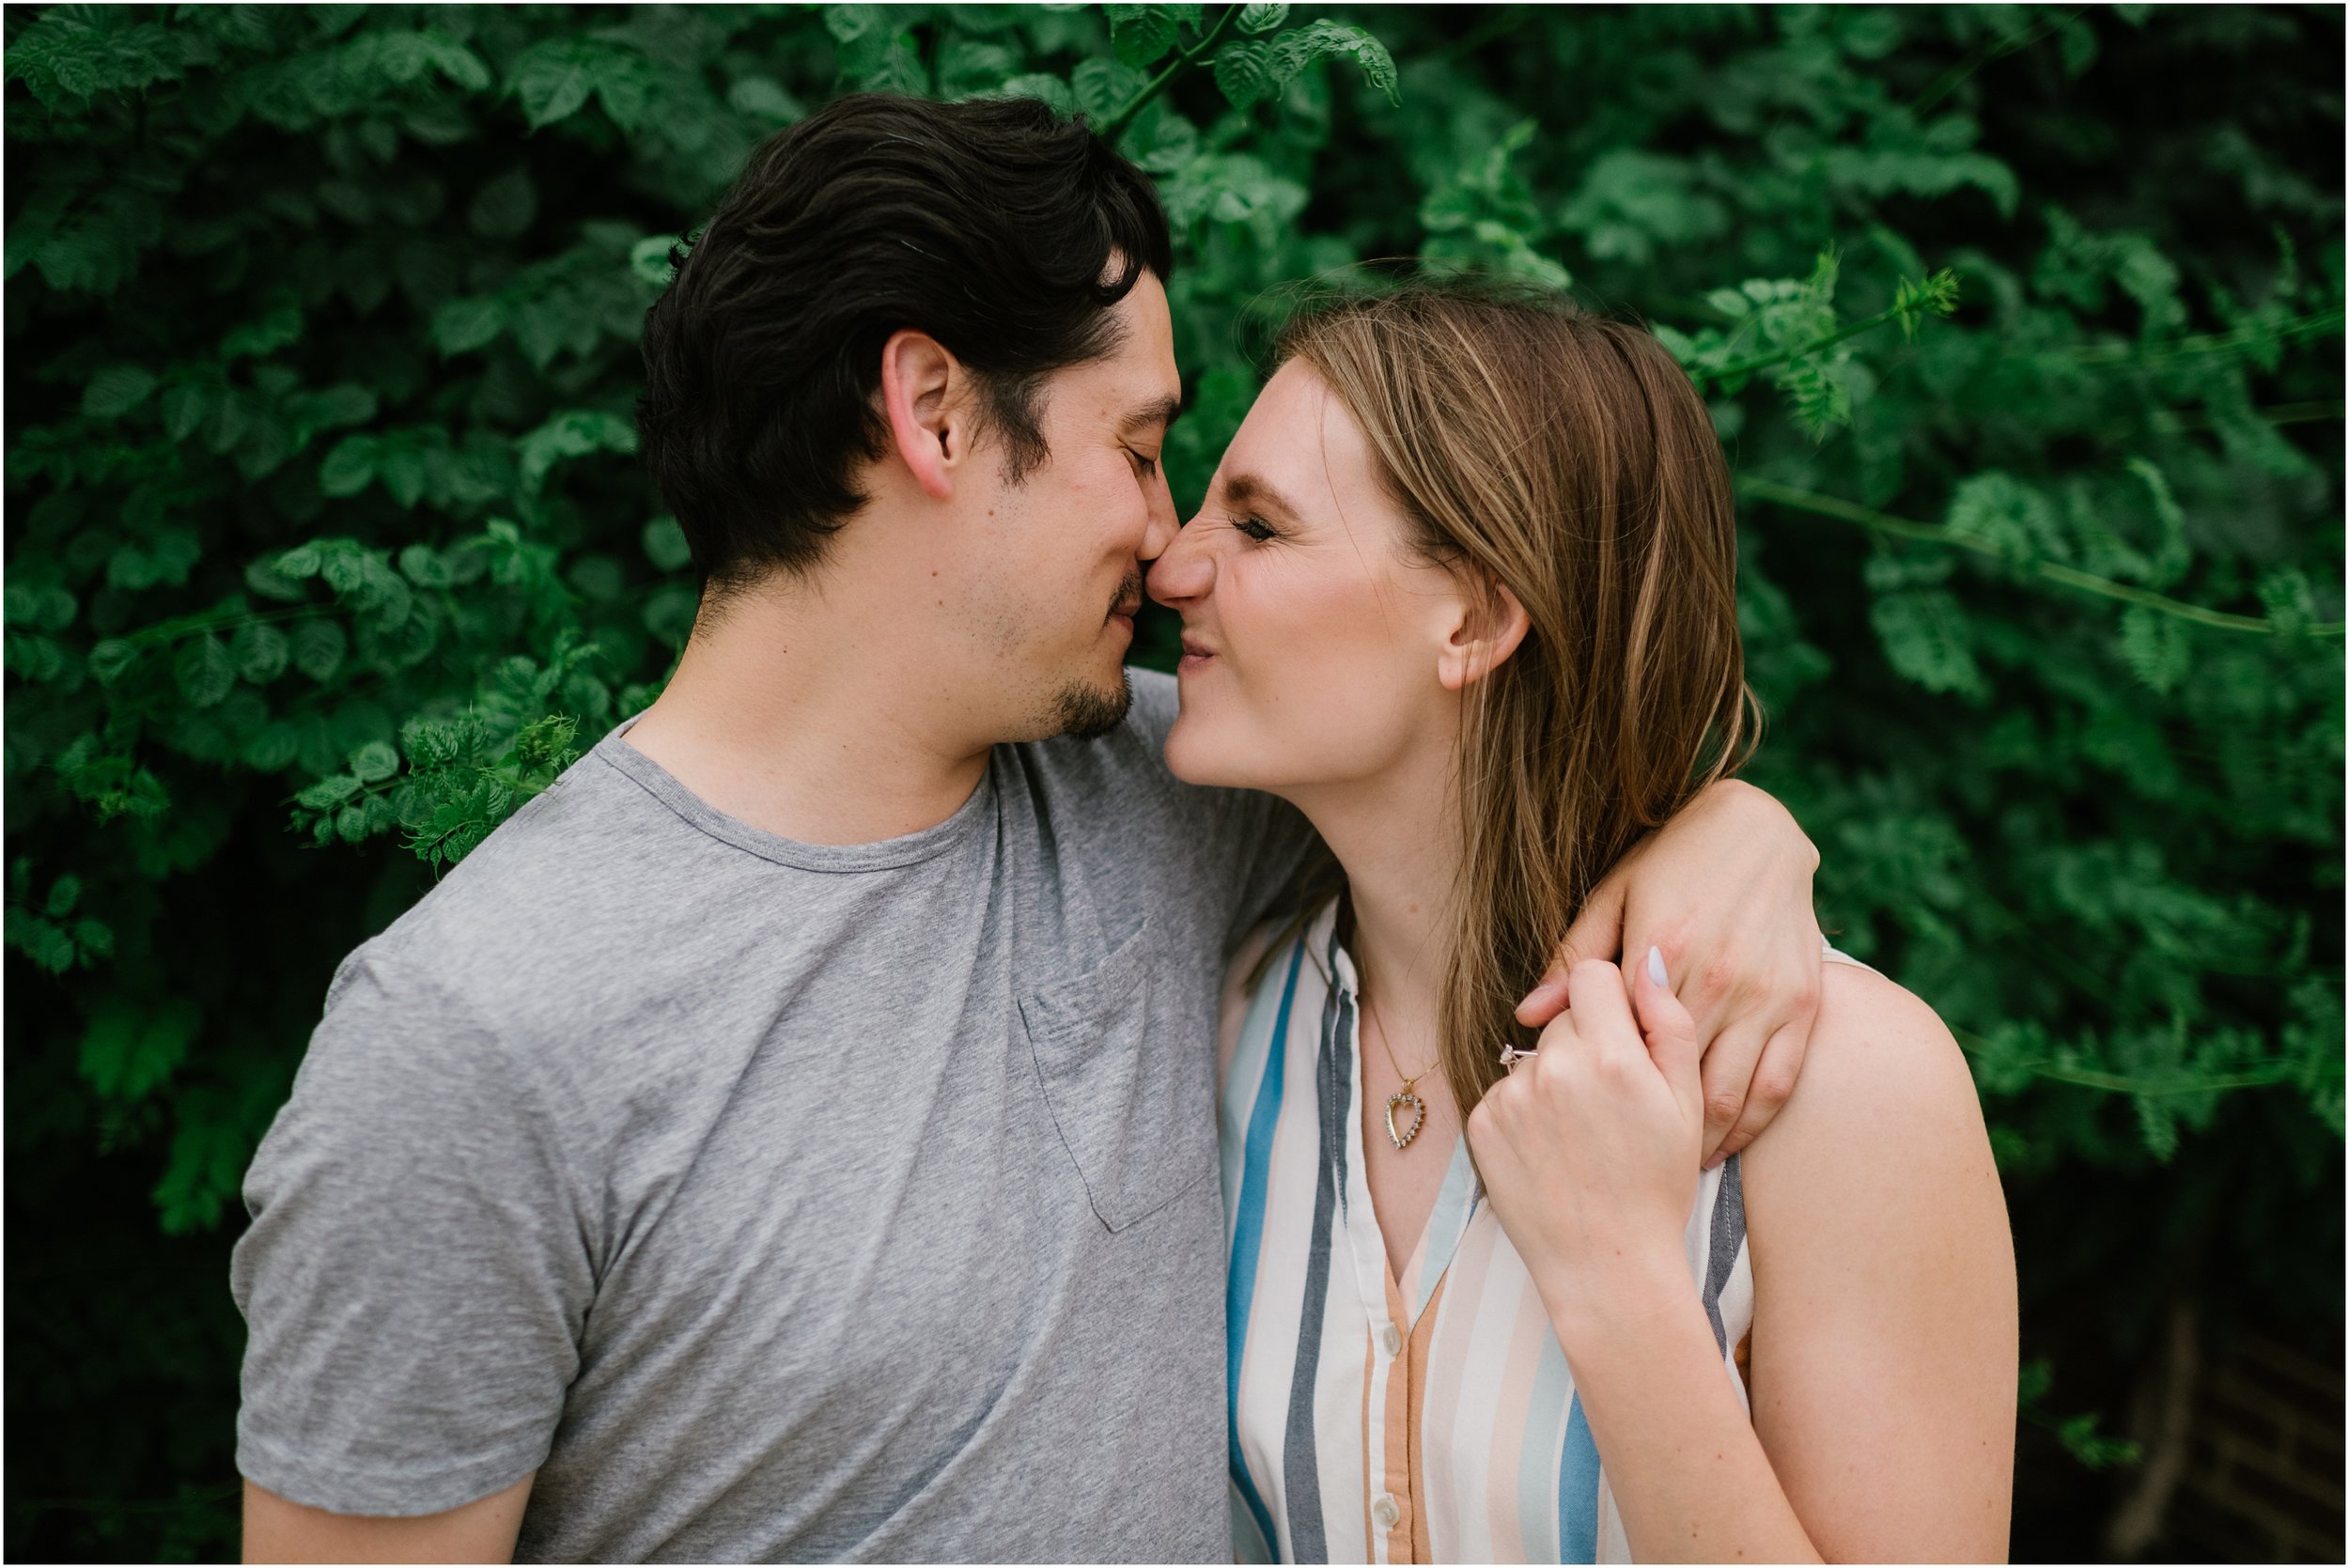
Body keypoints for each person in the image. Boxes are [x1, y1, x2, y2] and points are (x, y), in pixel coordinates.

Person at [230, 97, 1831, 1563]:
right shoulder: (474, 1036)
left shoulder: (1169, 788)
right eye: (1139, 450)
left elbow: (1488, 776)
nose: (1170, 537)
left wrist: (1732, 829)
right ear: (934, 410)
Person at [1159, 283, 2018, 1564]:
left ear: (1477, 616)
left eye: (1261, 525)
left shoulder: (1844, 1100)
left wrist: (1619, 1271)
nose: (1172, 562)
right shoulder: (1234, 1024)